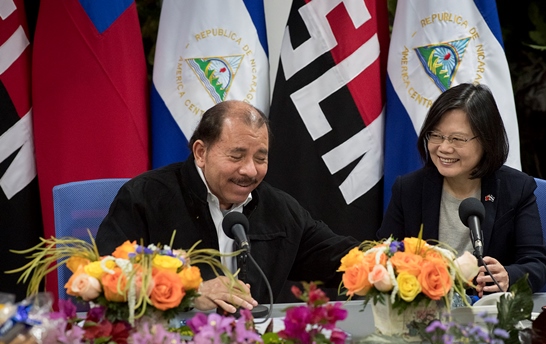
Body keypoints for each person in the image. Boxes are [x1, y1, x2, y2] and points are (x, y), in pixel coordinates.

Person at [96, 100, 359, 312]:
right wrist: (189, 292)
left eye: (260, 158)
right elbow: (107, 276)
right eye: (236, 156)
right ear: (201, 152)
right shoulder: (144, 197)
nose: (249, 170)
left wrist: (388, 262)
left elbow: (338, 256)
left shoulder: (279, 208)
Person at [377, 83, 546, 295]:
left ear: (487, 140)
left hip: (490, 315)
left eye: (457, 139)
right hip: (425, 312)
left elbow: (537, 263)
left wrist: (507, 275)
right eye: (436, 135)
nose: (444, 148)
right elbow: (382, 256)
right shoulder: (409, 189)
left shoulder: (515, 188)